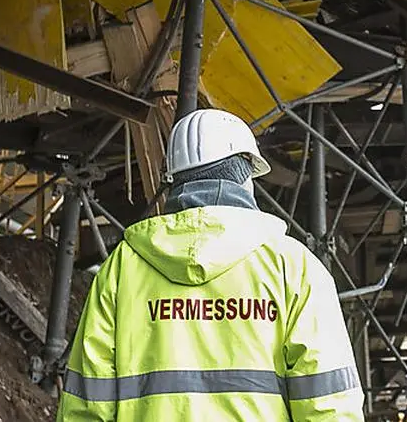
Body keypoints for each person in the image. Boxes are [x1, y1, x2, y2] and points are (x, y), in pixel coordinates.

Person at [57, 108, 365, 420]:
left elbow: (85, 407)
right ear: (244, 175)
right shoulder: (293, 267)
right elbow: (329, 405)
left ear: (173, 179)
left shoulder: (122, 270)